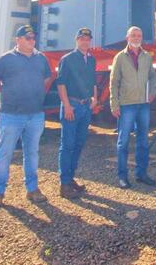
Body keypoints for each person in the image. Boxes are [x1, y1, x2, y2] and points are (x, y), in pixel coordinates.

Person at [0, 24, 53, 208]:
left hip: (35, 114)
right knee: (5, 154)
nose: (32, 41)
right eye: (27, 38)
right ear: (18, 40)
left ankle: (32, 189)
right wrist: (6, 92)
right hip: (11, 114)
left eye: (33, 38)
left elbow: (48, 78)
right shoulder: (6, 59)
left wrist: (37, 92)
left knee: (32, 153)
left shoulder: (41, 58)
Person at [109, 26, 156, 189]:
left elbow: (152, 76)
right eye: (133, 35)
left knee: (143, 141)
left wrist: (152, 92)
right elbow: (114, 82)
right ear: (127, 38)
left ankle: (141, 174)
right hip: (126, 105)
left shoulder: (146, 57)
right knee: (123, 142)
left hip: (143, 104)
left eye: (139, 35)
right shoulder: (120, 57)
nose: (137, 38)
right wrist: (114, 103)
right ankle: (122, 176)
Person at [57, 27, 99, 199]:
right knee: (67, 145)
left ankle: (70, 178)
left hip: (85, 106)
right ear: (76, 40)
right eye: (81, 38)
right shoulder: (67, 59)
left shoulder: (91, 59)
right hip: (72, 106)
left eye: (87, 39)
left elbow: (93, 81)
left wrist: (94, 98)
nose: (85, 41)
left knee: (79, 144)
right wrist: (66, 106)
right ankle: (64, 184)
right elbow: (61, 84)